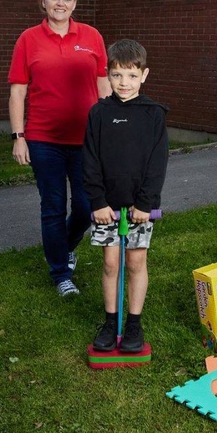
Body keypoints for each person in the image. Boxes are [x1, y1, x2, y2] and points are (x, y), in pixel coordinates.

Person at [8, 0, 112, 296]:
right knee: (52, 205)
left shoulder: (92, 36)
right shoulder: (28, 39)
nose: (60, 3)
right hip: (43, 139)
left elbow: (103, 83)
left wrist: (112, 126)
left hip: (87, 138)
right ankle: (60, 273)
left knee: (85, 206)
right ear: (44, 1)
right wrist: (18, 136)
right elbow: (17, 92)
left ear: (75, 3)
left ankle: (64, 245)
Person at [83, 40, 169, 353]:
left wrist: (146, 203)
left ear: (144, 75)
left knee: (135, 261)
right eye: (118, 75)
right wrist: (98, 202)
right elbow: (89, 161)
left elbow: (157, 162)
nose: (124, 83)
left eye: (132, 76)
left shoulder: (153, 114)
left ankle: (133, 322)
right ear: (108, 75)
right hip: (107, 205)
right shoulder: (99, 113)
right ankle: (110, 321)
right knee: (110, 263)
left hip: (140, 206)